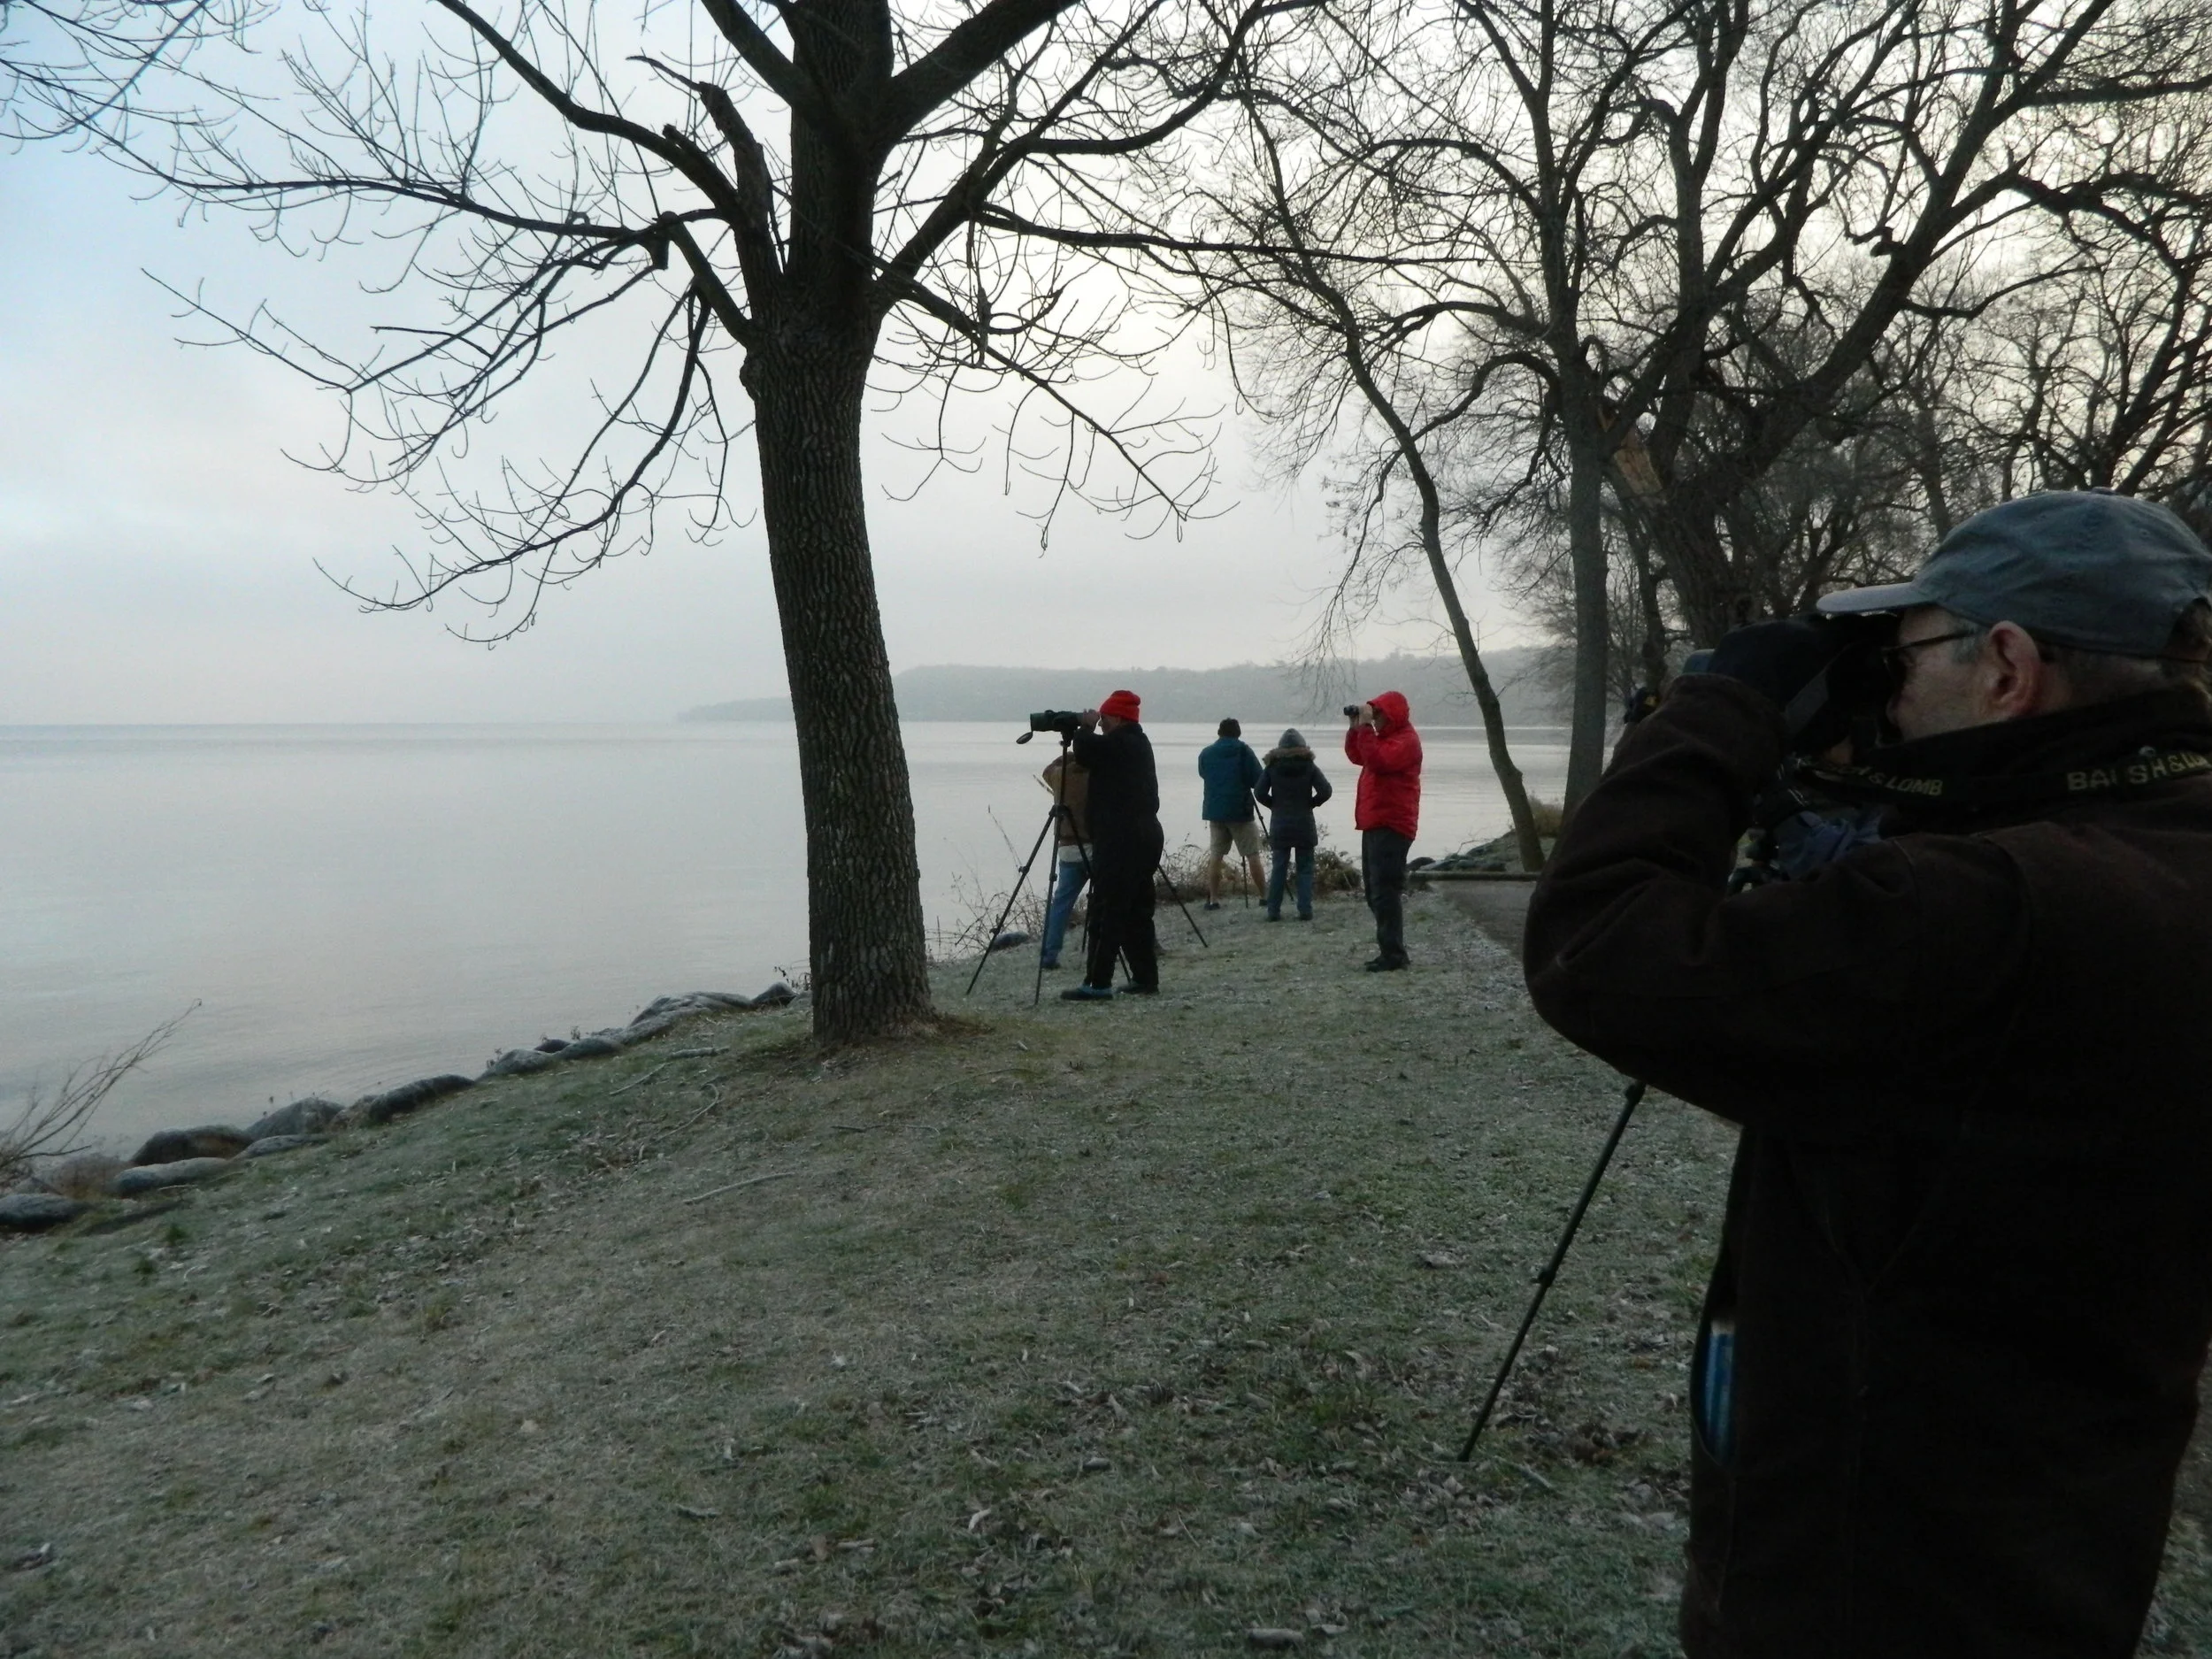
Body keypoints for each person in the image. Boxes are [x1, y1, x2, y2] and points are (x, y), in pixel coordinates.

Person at [1521, 491, 2212, 1658]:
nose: (1886, 688)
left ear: (2005, 667)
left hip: (1874, 1568)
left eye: (1903, 655)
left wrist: (1723, 707)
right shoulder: (2153, 861)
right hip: (2070, 1529)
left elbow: (1599, 942)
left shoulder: (1989, 911)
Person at [1062, 688, 1162, 1001]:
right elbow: (1094, 752)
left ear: (1117, 717)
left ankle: (1098, 982)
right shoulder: (1136, 743)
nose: (1101, 723)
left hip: (1122, 838)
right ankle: (1145, 979)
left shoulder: (1120, 743)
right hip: (1145, 835)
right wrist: (1087, 729)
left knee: (1107, 908)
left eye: (1104, 718)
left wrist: (1083, 727)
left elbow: (1087, 751)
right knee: (1136, 910)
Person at [1343, 691, 1422, 969]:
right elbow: (1358, 756)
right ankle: (1390, 950)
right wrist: (1356, 729)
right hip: (1375, 822)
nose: (1376, 721)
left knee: (1384, 890)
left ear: (1394, 714)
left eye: (1380, 715)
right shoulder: (1385, 740)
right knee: (1374, 891)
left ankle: (1394, 955)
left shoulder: (1406, 741)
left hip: (1393, 823)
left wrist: (1365, 728)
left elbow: (1378, 761)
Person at [1255, 727, 1333, 920]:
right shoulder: (1309, 766)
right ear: (1302, 747)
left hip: (1280, 824)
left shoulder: (1272, 767)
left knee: (1279, 867)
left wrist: (1274, 805)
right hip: (1304, 823)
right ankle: (1305, 910)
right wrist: (1311, 803)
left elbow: (1259, 793)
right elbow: (1326, 791)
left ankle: (1273, 911)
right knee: (1305, 868)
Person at [1197, 717, 1266, 908]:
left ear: (1219, 732)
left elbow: (1203, 774)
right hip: (1240, 811)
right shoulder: (1244, 751)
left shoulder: (1206, 753)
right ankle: (1264, 896)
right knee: (1252, 854)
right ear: (1238, 733)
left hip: (1215, 811)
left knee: (1216, 856)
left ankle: (1213, 899)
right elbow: (1258, 780)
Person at [1035, 749, 1091, 971]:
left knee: (1061, 902)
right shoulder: (1095, 776)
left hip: (1067, 847)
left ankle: (1049, 953)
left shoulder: (1059, 776)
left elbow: (1047, 770)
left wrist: (1068, 754)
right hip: (1093, 846)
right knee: (1108, 897)